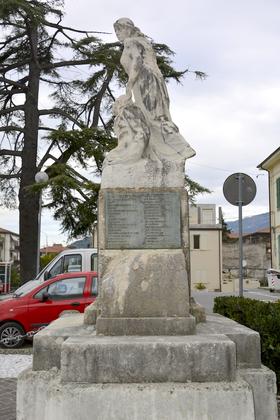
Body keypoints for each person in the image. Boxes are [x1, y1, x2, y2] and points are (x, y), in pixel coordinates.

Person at [113, 18, 196, 162]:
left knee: (154, 118)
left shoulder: (130, 42)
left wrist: (129, 85)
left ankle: (182, 148)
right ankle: (156, 154)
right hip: (153, 80)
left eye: (119, 30)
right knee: (154, 117)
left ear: (128, 29)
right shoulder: (143, 41)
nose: (117, 34)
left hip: (145, 81)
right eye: (116, 31)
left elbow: (137, 60)